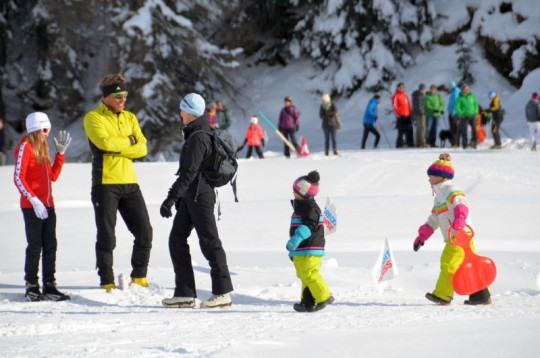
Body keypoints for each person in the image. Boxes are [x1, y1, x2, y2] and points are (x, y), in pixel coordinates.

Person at [161, 93, 234, 309]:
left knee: (210, 242)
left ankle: (223, 293)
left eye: (182, 109)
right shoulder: (195, 132)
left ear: (190, 112)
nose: (180, 113)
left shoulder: (198, 136)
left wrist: (170, 197)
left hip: (200, 196)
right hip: (191, 196)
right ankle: (184, 293)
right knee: (176, 240)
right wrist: (179, 197)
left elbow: (189, 173)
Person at [83, 73, 153, 292]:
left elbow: (143, 148)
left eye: (125, 95)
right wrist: (130, 142)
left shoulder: (130, 117)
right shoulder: (93, 118)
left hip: (130, 182)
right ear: (106, 97)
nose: (123, 99)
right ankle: (107, 281)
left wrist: (120, 145)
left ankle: (139, 277)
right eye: (118, 96)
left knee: (145, 232)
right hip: (105, 183)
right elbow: (103, 143)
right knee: (107, 235)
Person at [413, 153, 491, 306]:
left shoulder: (451, 190)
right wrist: (421, 237)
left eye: (431, 175)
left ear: (440, 176)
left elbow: (462, 205)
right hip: (457, 235)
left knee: (448, 263)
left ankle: (443, 295)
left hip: (460, 234)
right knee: (467, 263)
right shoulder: (439, 197)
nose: (428, 179)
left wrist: (460, 221)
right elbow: (434, 220)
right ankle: (480, 295)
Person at [13, 112, 72, 301]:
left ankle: (50, 286)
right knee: (35, 246)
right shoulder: (25, 147)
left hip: (48, 205)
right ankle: (31, 286)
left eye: (49, 130)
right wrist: (34, 200)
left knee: (50, 246)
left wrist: (60, 155)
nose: (47, 133)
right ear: (35, 129)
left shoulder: (43, 149)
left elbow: (52, 176)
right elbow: (18, 177)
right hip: (32, 207)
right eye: (45, 130)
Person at [287, 170, 334, 312]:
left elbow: (310, 225)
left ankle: (324, 296)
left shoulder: (309, 208)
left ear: (303, 193)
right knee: (304, 275)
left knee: (309, 273)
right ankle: (307, 302)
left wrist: (296, 238)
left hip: (310, 247)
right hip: (303, 249)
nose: (294, 194)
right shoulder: (303, 206)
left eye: (296, 192)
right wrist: (294, 251)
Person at [455, 84, 479, 149]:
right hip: (464, 116)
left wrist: (476, 112)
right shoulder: (460, 97)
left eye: (467, 89)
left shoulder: (472, 96)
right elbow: (457, 106)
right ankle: (465, 144)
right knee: (464, 130)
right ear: (462, 90)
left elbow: (476, 104)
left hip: (472, 115)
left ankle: (474, 143)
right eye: (465, 89)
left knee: (474, 129)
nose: (467, 90)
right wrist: (461, 113)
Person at [391, 82, 413, 148]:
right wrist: (399, 113)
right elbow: (395, 106)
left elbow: (408, 104)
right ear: (398, 88)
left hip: (408, 115)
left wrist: (410, 112)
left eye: (402, 87)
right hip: (401, 116)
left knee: (409, 130)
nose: (401, 88)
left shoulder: (405, 95)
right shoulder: (396, 95)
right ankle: (399, 144)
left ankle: (409, 143)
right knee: (401, 131)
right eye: (400, 87)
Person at [447, 81, 461, 147]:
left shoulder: (455, 93)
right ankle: (455, 143)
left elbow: (455, 104)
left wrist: (452, 112)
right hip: (454, 113)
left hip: (454, 113)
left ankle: (455, 143)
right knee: (455, 128)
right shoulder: (455, 92)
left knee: (453, 128)